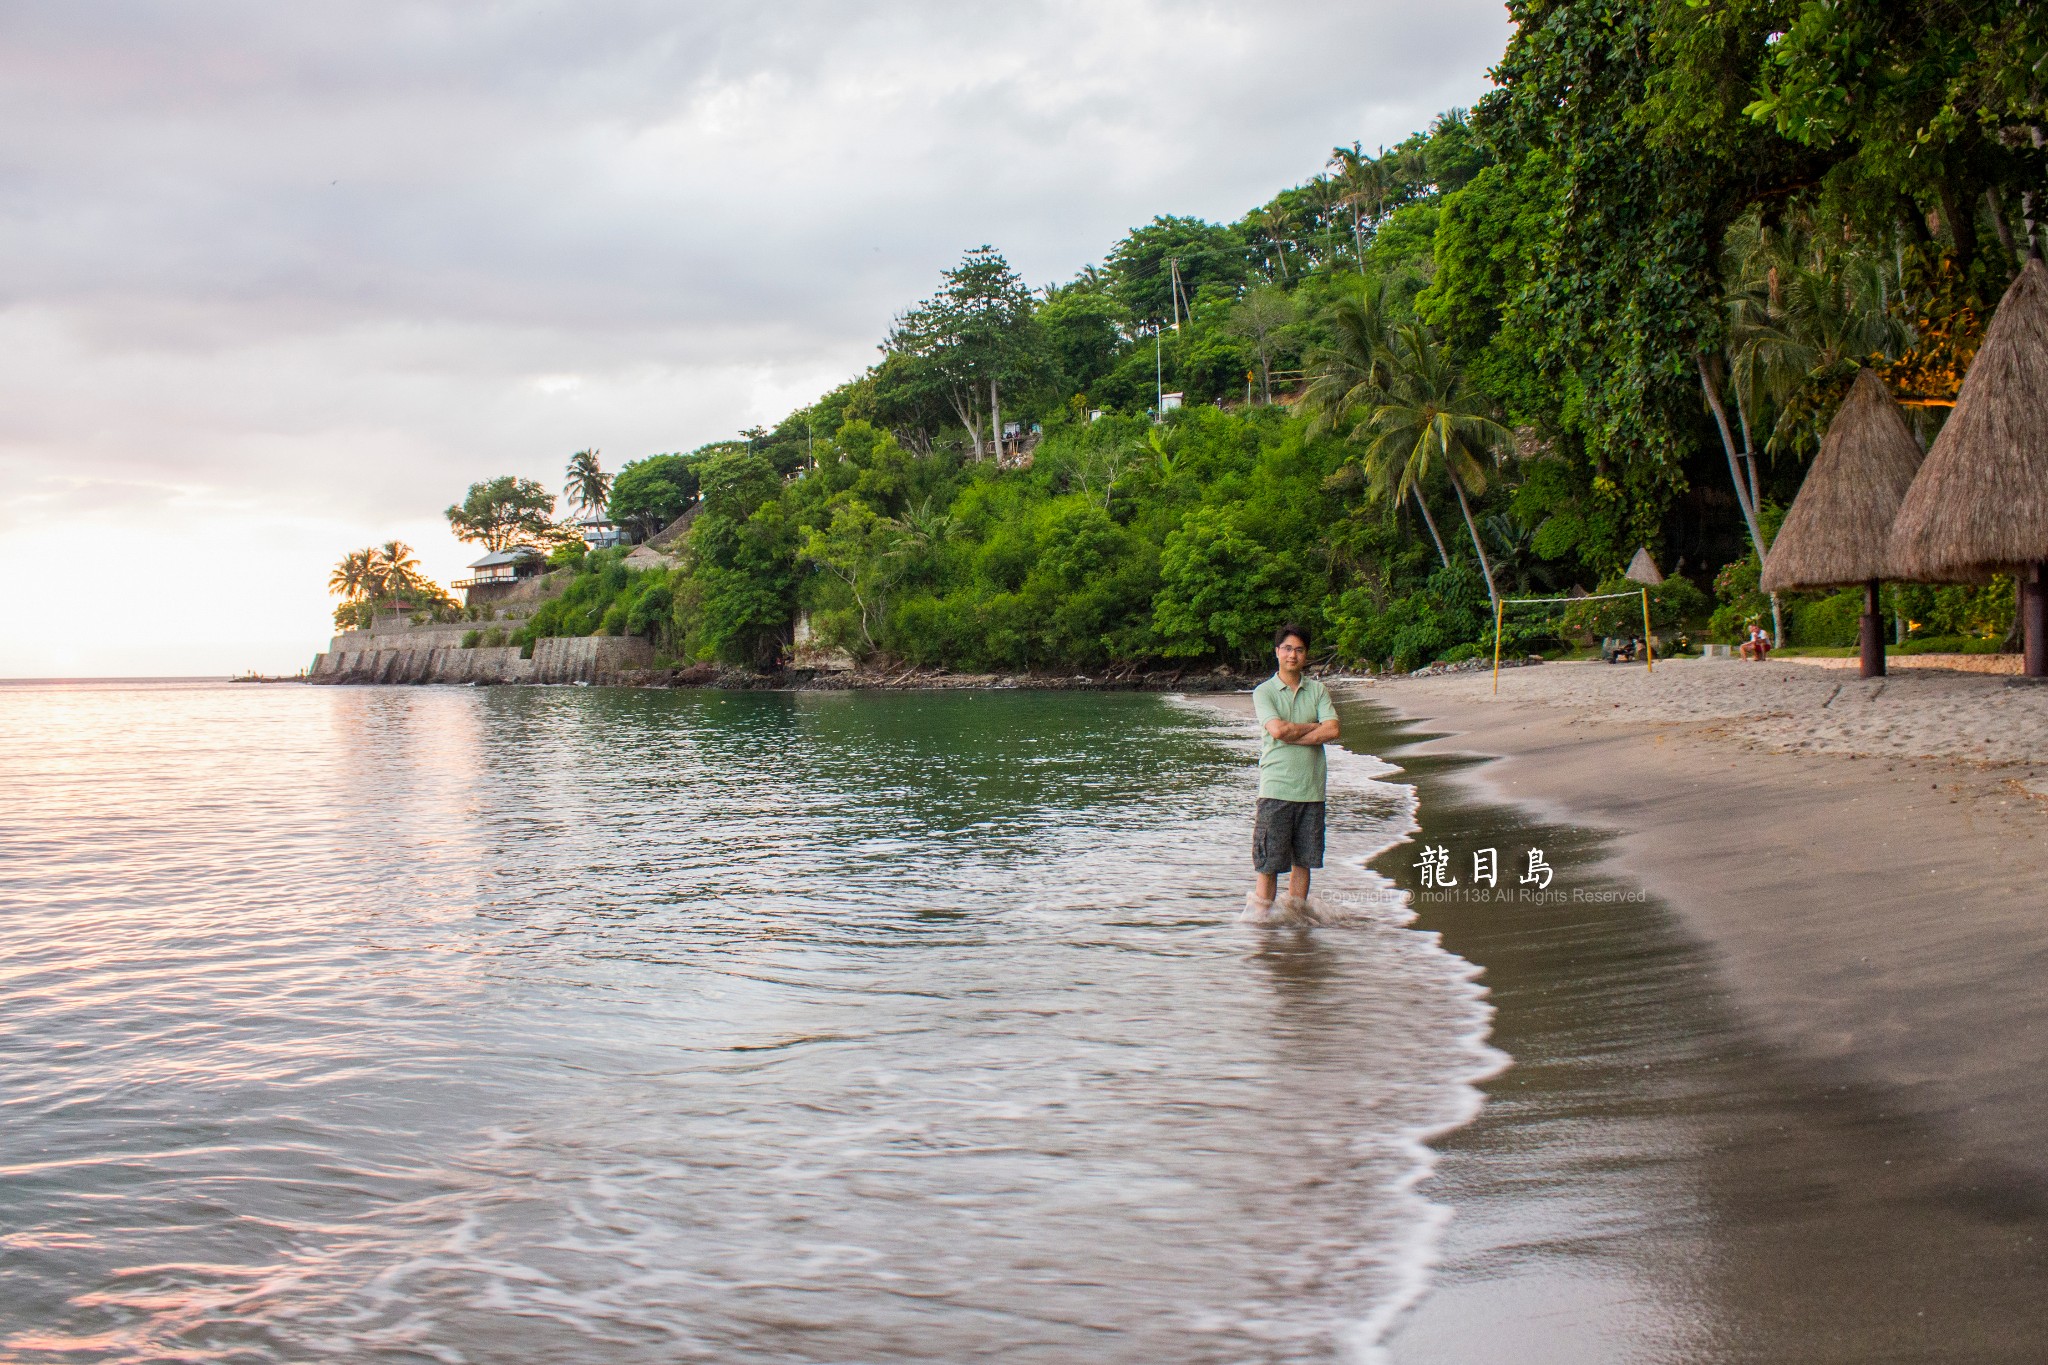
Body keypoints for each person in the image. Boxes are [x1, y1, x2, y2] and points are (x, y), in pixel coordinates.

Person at [1246, 624, 1339, 922]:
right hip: (1276, 790)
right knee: (1269, 865)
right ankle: (1262, 931)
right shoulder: (1265, 692)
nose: (1292, 655)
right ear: (1277, 652)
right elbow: (1277, 729)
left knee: (1304, 862)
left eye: (1299, 649)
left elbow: (1333, 729)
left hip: (1312, 790)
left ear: (1306, 655)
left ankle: (1297, 930)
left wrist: (1293, 734)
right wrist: (1314, 727)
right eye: (1287, 648)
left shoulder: (1318, 690)